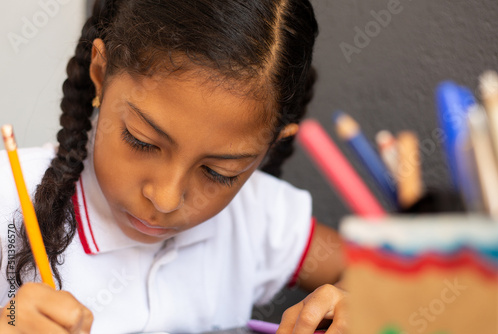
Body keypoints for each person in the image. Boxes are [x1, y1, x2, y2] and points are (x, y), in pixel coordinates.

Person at [0, 0, 347, 333]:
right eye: (142, 141)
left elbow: (373, 275)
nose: (165, 199)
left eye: (218, 173)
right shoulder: (9, 196)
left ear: (272, 144)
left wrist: (355, 304)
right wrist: (8, 317)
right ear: (101, 73)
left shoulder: (256, 213)